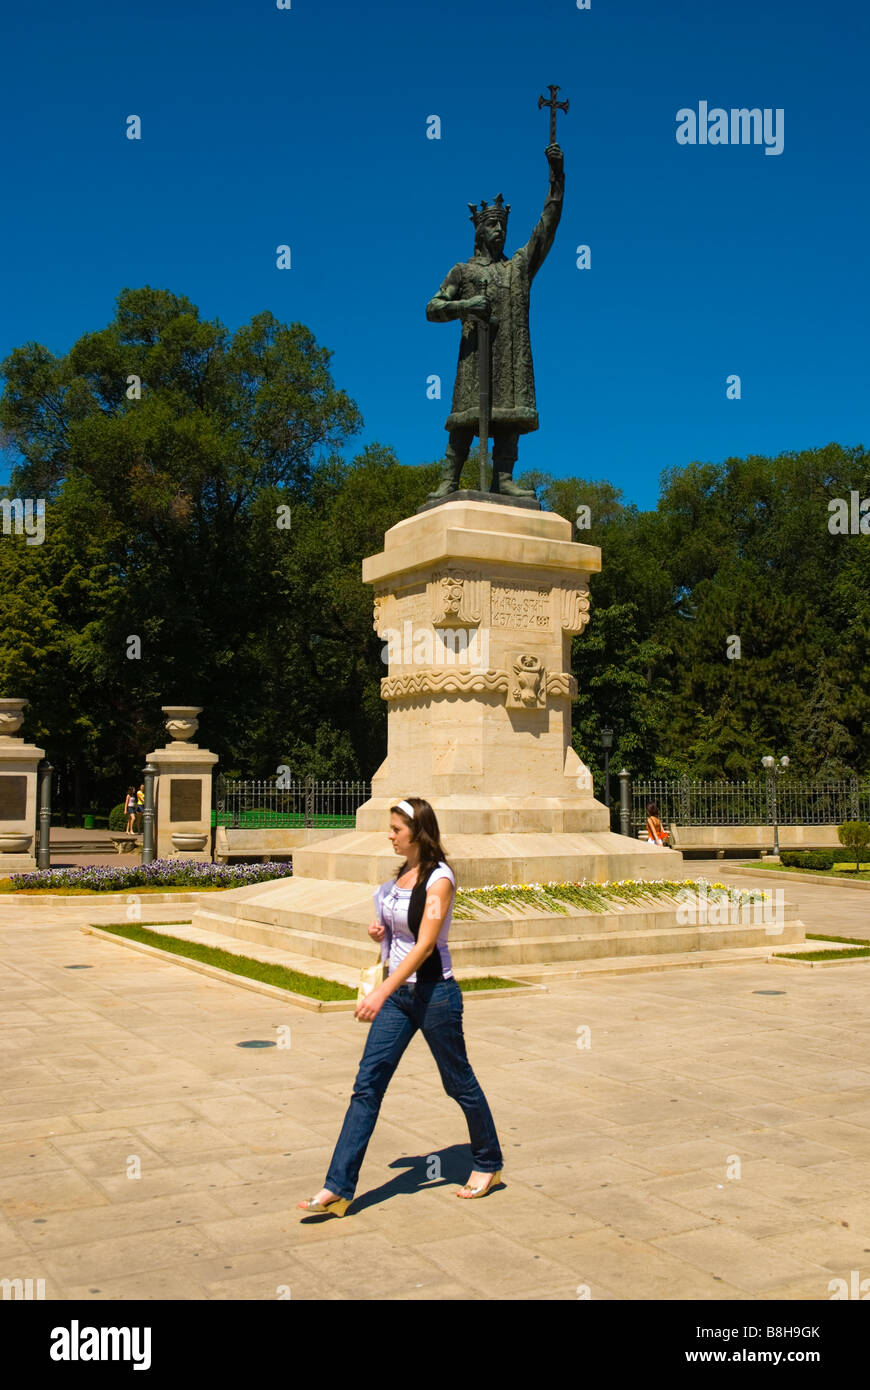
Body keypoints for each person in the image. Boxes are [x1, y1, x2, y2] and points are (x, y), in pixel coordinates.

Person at [297, 796, 504, 1217]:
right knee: (367, 1084)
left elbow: (427, 943)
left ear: (418, 832)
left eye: (396, 830)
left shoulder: (439, 879)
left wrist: (380, 990)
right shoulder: (402, 875)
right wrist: (381, 934)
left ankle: (488, 1162)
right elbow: (403, 936)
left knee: (458, 1082)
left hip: (434, 996)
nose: (389, 836)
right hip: (399, 997)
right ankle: (338, 1187)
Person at [425, 143, 564, 500]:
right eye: (492, 225)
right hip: (475, 360)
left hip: (510, 357)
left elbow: (546, 228)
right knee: (463, 418)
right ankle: (450, 480)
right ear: (479, 232)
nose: (499, 230)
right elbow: (432, 308)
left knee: (508, 413)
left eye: (503, 224)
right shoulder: (464, 270)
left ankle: (502, 477)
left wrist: (556, 177)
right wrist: (466, 306)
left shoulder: (517, 268)